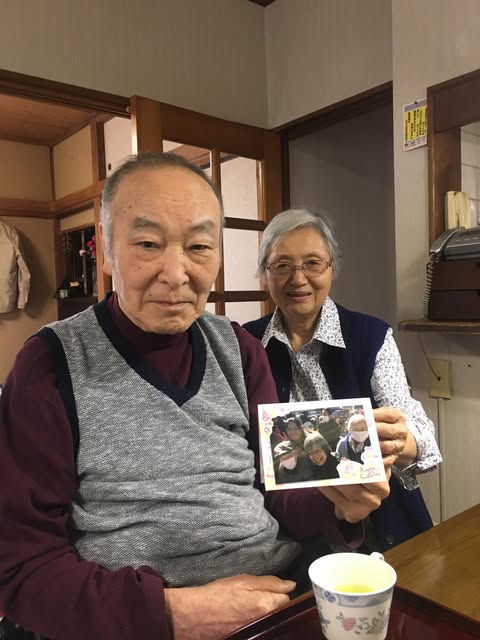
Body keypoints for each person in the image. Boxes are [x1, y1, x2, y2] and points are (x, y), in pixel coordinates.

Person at [0, 156, 391, 640]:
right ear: (106, 250)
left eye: (199, 246)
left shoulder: (240, 350)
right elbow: (22, 567)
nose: (176, 273)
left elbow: (281, 492)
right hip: (134, 624)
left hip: (276, 594)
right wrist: (173, 615)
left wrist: (340, 504)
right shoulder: (50, 365)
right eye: (148, 244)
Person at [243, 207, 442, 551]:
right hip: (282, 532)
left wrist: (398, 442)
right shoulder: (246, 343)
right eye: (282, 265)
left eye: (312, 263)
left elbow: (423, 439)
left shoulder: (370, 336)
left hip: (377, 521)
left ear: (332, 268)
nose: (298, 278)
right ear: (265, 273)